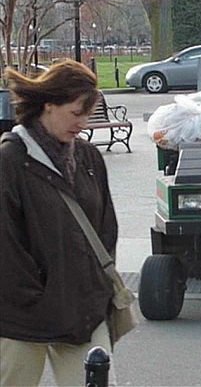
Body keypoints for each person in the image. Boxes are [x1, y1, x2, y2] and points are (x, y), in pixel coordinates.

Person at [0, 60, 119, 386]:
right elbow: (6, 244)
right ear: (49, 105)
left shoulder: (89, 158)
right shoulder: (10, 160)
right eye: (76, 113)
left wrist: (97, 287)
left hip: (82, 307)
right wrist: (37, 296)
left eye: (87, 115)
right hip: (22, 316)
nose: (82, 124)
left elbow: (106, 227)